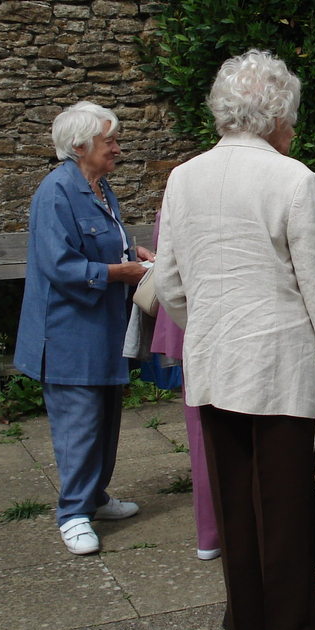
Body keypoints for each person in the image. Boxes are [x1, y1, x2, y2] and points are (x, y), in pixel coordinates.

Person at [154, 50, 315, 630]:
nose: (293, 127)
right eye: (290, 115)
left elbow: (169, 284)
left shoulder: (183, 178)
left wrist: (208, 328)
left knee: (237, 516)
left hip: (214, 365)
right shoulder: (294, 180)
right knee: (285, 515)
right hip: (279, 366)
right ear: (274, 116)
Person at [14, 101, 152, 556]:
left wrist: (134, 253)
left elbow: (104, 240)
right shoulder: (56, 192)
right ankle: (72, 513)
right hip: (69, 333)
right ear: (79, 146)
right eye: (109, 140)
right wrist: (120, 273)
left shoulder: (99, 186)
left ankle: (94, 497)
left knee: (106, 419)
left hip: (104, 329)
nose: (117, 148)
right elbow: (60, 266)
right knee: (79, 425)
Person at [145, 215, 220, 562]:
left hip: (194, 313)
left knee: (204, 430)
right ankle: (216, 531)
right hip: (217, 314)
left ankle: (213, 532)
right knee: (208, 428)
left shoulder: (179, 189)